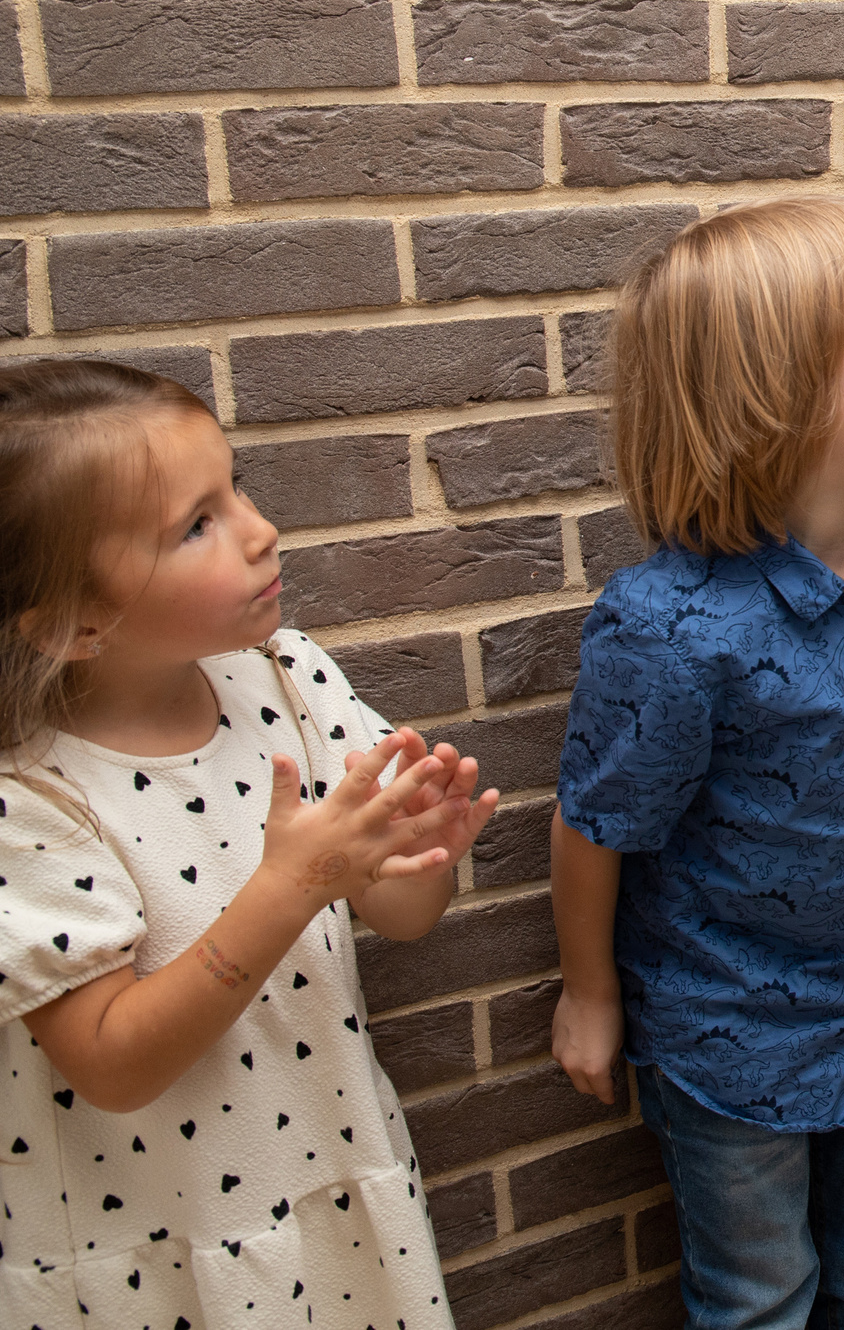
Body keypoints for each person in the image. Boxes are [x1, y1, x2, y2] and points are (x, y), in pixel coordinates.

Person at [547, 197, 844, 1330]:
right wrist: (592, 992)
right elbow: (596, 822)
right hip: (729, 1032)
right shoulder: (671, 628)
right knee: (760, 1298)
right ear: (787, 398)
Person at [0, 358, 497, 1329]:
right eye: (197, 524)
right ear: (72, 622)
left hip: (330, 1187)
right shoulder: (32, 795)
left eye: (235, 486)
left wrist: (418, 852)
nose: (258, 527)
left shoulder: (283, 677)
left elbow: (394, 912)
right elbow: (112, 1061)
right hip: (156, 1254)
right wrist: (296, 881)